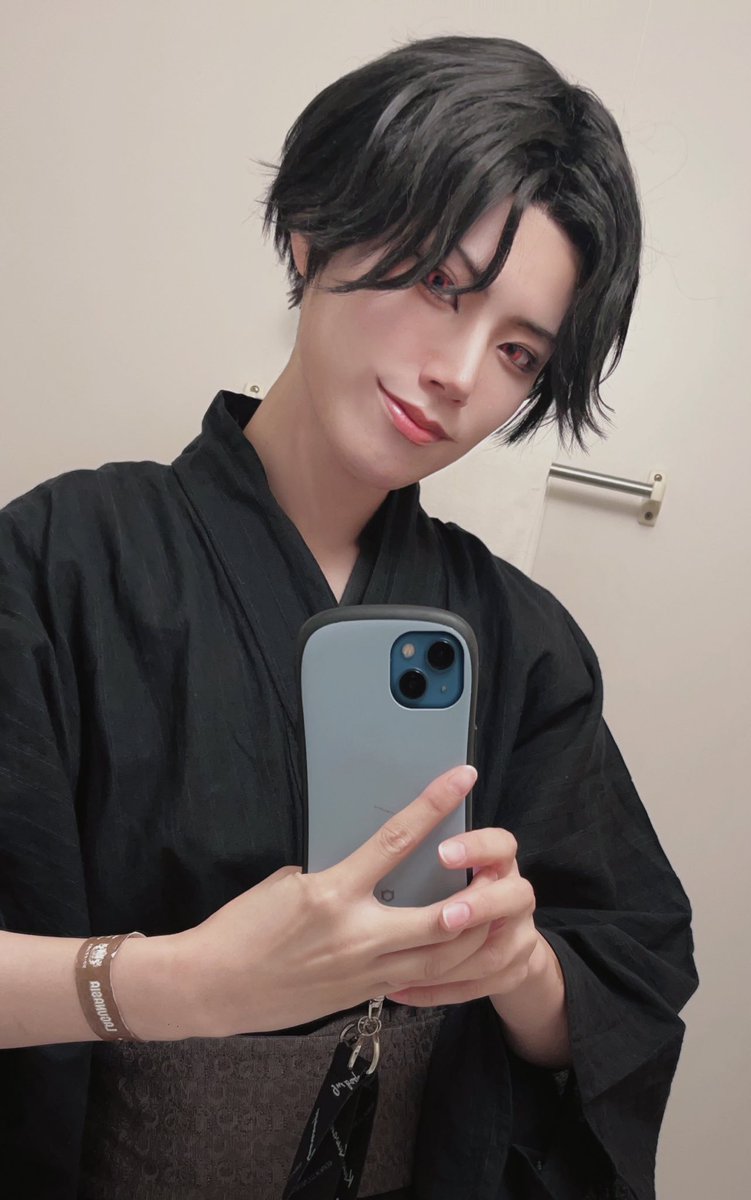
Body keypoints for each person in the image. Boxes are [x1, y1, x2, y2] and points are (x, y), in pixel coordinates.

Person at [0, 33, 697, 1200]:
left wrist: (517, 963)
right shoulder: (59, 561)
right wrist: (181, 984)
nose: (460, 373)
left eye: (516, 352)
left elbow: (623, 985)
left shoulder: (522, 642)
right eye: (441, 285)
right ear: (314, 229)